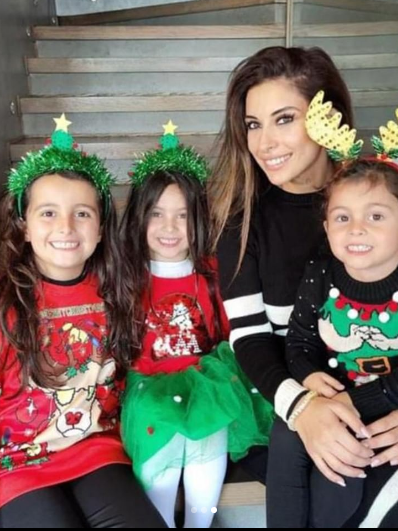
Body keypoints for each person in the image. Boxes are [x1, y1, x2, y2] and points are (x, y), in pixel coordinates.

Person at [209, 46, 398, 527]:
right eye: (253, 124)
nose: (264, 142)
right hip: (289, 399)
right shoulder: (241, 222)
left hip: (395, 398)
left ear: (329, 119)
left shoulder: (384, 199)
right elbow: (251, 338)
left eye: (285, 119)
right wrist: (303, 410)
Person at [0, 115, 166, 528]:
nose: (66, 227)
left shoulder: (120, 294)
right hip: (15, 465)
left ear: (101, 229)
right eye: (48, 213)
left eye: (82, 213)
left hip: (97, 452)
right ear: (24, 227)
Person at [276, 85, 398, 525]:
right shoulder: (321, 274)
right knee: (287, 444)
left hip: (394, 406)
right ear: (327, 227)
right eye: (343, 217)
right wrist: (309, 379)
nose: (356, 229)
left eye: (375, 216)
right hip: (328, 402)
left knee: (354, 481)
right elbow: (299, 342)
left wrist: (360, 404)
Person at [119, 123, 273, 528]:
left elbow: (231, 327)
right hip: (149, 388)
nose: (170, 228)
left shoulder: (212, 273)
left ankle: (199, 524)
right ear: (139, 217)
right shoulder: (126, 278)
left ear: (199, 219)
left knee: (208, 430)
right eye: (157, 214)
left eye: (182, 216)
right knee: (161, 452)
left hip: (205, 380)